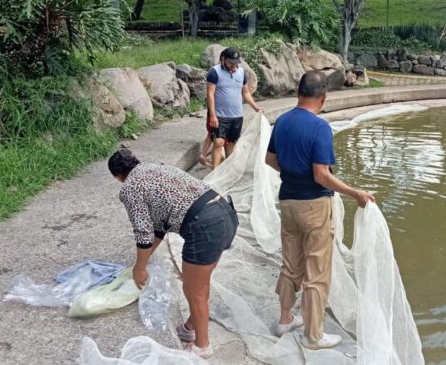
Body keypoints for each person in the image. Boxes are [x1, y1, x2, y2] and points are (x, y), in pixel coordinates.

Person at [265, 71, 375, 350]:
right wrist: (355, 193)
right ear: (323, 98)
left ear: (298, 92)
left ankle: (285, 318)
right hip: (315, 205)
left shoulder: (282, 121)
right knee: (316, 271)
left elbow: (270, 160)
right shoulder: (320, 128)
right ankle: (313, 335)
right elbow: (321, 175)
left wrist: (291, 172)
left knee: (290, 264)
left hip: (287, 202)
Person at [108, 149, 239, 358]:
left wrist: (140, 268)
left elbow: (143, 232)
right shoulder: (155, 168)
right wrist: (145, 258)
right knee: (200, 284)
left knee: (193, 290)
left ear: (118, 177)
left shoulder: (130, 187)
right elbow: (160, 227)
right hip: (225, 213)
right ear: (136, 161)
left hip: (205, 225)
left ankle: (202, 346)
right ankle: (189, 328)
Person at [206, 47, 264, 168]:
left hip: (237, 115)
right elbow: (210, 94)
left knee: (231, 143)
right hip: (220, 115)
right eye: (231, 62)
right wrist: (212, 115)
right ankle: (215, 173)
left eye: (236, 63)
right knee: (218, 142)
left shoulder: (241, 72)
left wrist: (256, 107)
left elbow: (246, 93)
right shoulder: (214, 72)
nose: (234, 65)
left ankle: (227, 170)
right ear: (223, 59)